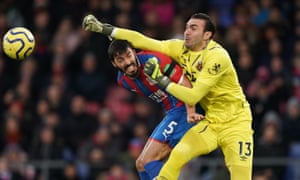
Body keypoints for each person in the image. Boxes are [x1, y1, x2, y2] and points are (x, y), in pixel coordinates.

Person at [82, 13, 254, 180]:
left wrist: (162, 82)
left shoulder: (217, 57)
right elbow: (141, 40)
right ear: (114, 63)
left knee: (240, 177)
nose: (187, 31)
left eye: (193, 28)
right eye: (186, 27)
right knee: (150, 162)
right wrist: (104, 29)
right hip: (210, 120)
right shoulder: (178, 48)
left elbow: (193, 95)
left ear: (207, 35)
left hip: (233, 122)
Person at [105, 39, 203, 180]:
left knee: (148, 161)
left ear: (134, 52)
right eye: (120, 60)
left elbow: (186, 85)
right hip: (172, 112)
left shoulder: (154, 60)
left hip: (185, 108)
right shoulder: (123, 81)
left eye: (128, 55)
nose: (127, 62)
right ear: (114, 64)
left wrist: (191, 112)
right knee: (140, 164)